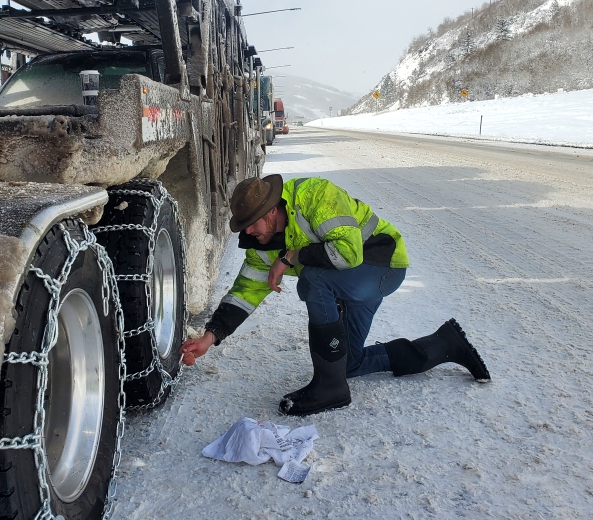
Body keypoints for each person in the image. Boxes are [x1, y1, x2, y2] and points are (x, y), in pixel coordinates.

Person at [179, 174, 490, 416]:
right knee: (348, 362)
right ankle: (444, 345)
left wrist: (291, 256)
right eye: (242, 226)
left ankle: (329, 388)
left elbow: (348, 254)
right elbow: (246, 291)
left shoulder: (315, 196)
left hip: (382, 265)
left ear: (272, 210)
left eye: (250, 224)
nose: (247, 232)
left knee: (313, 281)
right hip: (352, 282)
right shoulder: (261, 243)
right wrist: (211, 336)